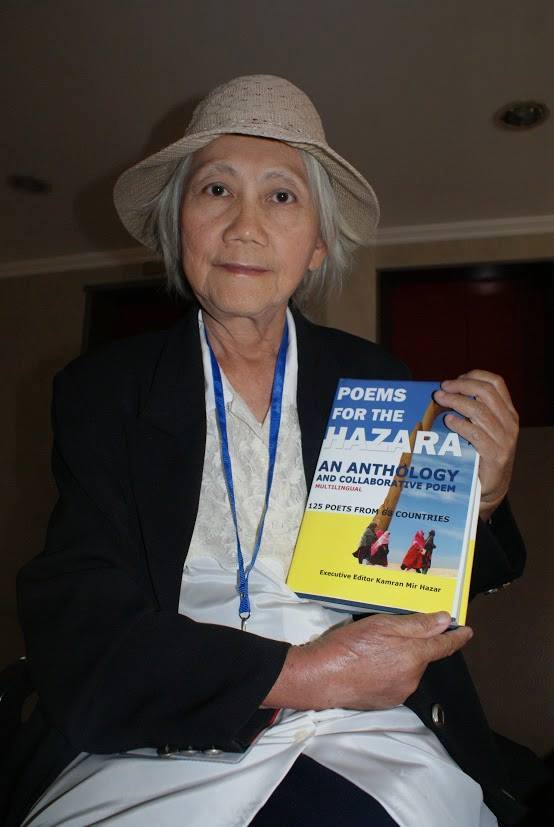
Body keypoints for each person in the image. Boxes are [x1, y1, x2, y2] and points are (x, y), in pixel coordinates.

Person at [8, 75, 526, 827]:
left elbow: (416, 575)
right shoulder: (104, 390)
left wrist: (486, 496)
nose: (244, 226)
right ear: (178, 225)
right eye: (216, 189)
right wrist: (307, 673)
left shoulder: (374, 376)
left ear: (316, 245)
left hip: (369, 713)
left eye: (281, 196)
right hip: (175, 711)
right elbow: (77, 611)